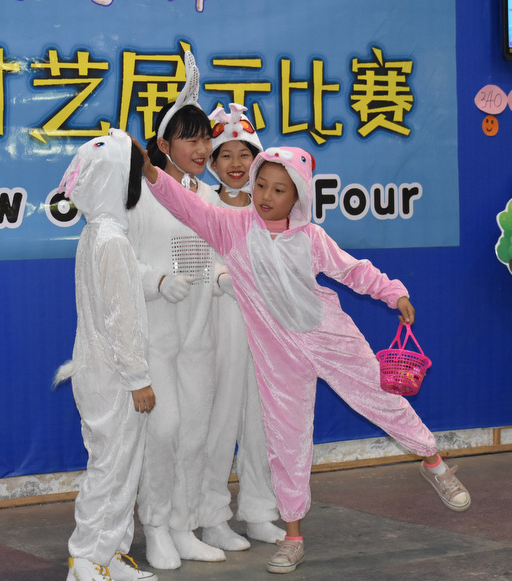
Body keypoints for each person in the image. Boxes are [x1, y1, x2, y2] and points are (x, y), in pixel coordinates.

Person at [132, 141, 472, 575]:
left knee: (381, 397)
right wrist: (152, 172)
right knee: (287, 442)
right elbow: (187, 206)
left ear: (298, 197)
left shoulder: (311, 237)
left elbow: (352, 270)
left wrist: (393, 292)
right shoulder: (232, 228)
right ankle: (293, 538)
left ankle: (433, 461)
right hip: (279, 358)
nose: (266, 196)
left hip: (331, 338)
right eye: (261, 185)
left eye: (279, 190)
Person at [126, 51, 224, 570]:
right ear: (164, 146)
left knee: (195, 433)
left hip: (199, 335)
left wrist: (223, 275)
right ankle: (157, 525)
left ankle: (184, 526)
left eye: (206, 138)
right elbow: (118, 263)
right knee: (163, 431)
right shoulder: (140, 195)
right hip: (155, 337)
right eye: (191, 139)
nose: (203, 149)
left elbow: (219, 253)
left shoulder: (211, 197)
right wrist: (156, 282)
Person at [53, 130, 157, 581]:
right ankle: (85, 558)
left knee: (120, 467)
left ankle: (109, 553)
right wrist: (138, 378)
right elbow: (120, 318)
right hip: (114, 378)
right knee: (111, 469)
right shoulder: (110, 239)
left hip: (101, 371)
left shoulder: (97, 233)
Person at [199, 104, 285, 551]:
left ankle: (259, 511)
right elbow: (190, 262)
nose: (236, 164)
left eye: (244, 154)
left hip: (268, 330)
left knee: (264, 423)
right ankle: (211, 516)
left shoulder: (272, 206)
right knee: (219, 421)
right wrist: (223, 278)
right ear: (212, 163)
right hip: (220, 325)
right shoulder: (201, 205)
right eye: (225, 155)